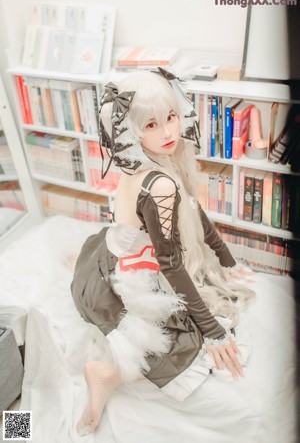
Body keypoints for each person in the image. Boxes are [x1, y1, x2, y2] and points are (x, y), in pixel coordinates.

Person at [71, 68, 255, 437]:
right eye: (151, 124)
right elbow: (170, 265)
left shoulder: (145, 161)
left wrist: (224, 255)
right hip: (122, 287)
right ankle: (105, 374)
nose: (168, 132)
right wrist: (213, 331)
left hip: (98, 268)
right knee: (191, 341)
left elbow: (192, 206)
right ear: (130, 131)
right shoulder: (159, 184)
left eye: (170, 117)